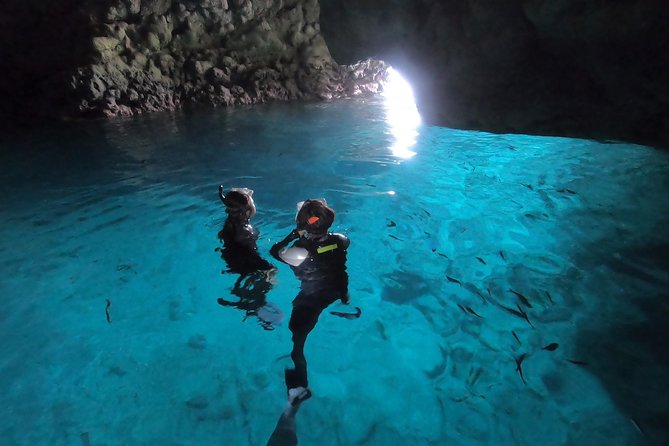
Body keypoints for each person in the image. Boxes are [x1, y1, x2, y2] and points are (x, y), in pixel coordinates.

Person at [269, 198, 350, 405]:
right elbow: (337, 259)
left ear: (302, 226)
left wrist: (293, 235)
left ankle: (299, 389)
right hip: (333, 291)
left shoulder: (299, 251)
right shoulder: (341, 240)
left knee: (297, 341)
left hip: (311, 299)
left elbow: (274, 251)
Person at [216, 186, 282, 330]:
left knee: (251, 273)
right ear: (247, 212)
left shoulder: (229, 222)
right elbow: (250, 251)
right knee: (271, 271)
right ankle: (257, 303)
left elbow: (226, 202)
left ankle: (241, 291)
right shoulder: (246, 231)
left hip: (229, 256)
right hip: (245, 258)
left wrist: (222, 194)